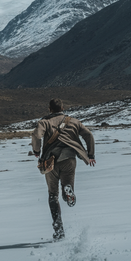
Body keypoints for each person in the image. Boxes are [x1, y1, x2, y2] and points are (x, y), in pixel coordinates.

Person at [31, 98, 96, 240]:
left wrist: (36, 151)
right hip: (69, 159)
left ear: (50, 109)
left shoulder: (44, 122)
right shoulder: (74, 121)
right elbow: (88, 135)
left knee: (53, 195)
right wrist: (90, 154)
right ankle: (68, 193)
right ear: (62, 107)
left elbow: (36, 135)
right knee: (67, 186)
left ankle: (59, 231)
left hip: (51, 162)